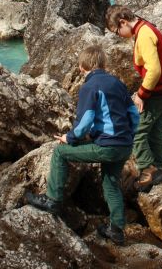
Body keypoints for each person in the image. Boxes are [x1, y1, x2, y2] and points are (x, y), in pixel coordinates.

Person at [25, 44, 139, 245]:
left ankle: (52, 200)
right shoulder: (117, 83)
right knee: (111, 182)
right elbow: (134, 115)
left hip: (108, 146)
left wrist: (69, 138)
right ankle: (117, 230)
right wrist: (127, 136)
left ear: (81, 67)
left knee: (61, 152)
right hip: (124, 145)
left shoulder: (90, 86)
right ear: (104, 64)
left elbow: (85, 120)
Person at [105, 4, 162, 192]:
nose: (118, 36)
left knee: (136, 130)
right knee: (156, 129)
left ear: (123, 22)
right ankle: (159, 167)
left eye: (116, 32)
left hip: (159, 90)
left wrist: (141, 94)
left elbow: (154, 70)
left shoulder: (145, 35)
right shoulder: (145, 27)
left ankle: (149, 169)